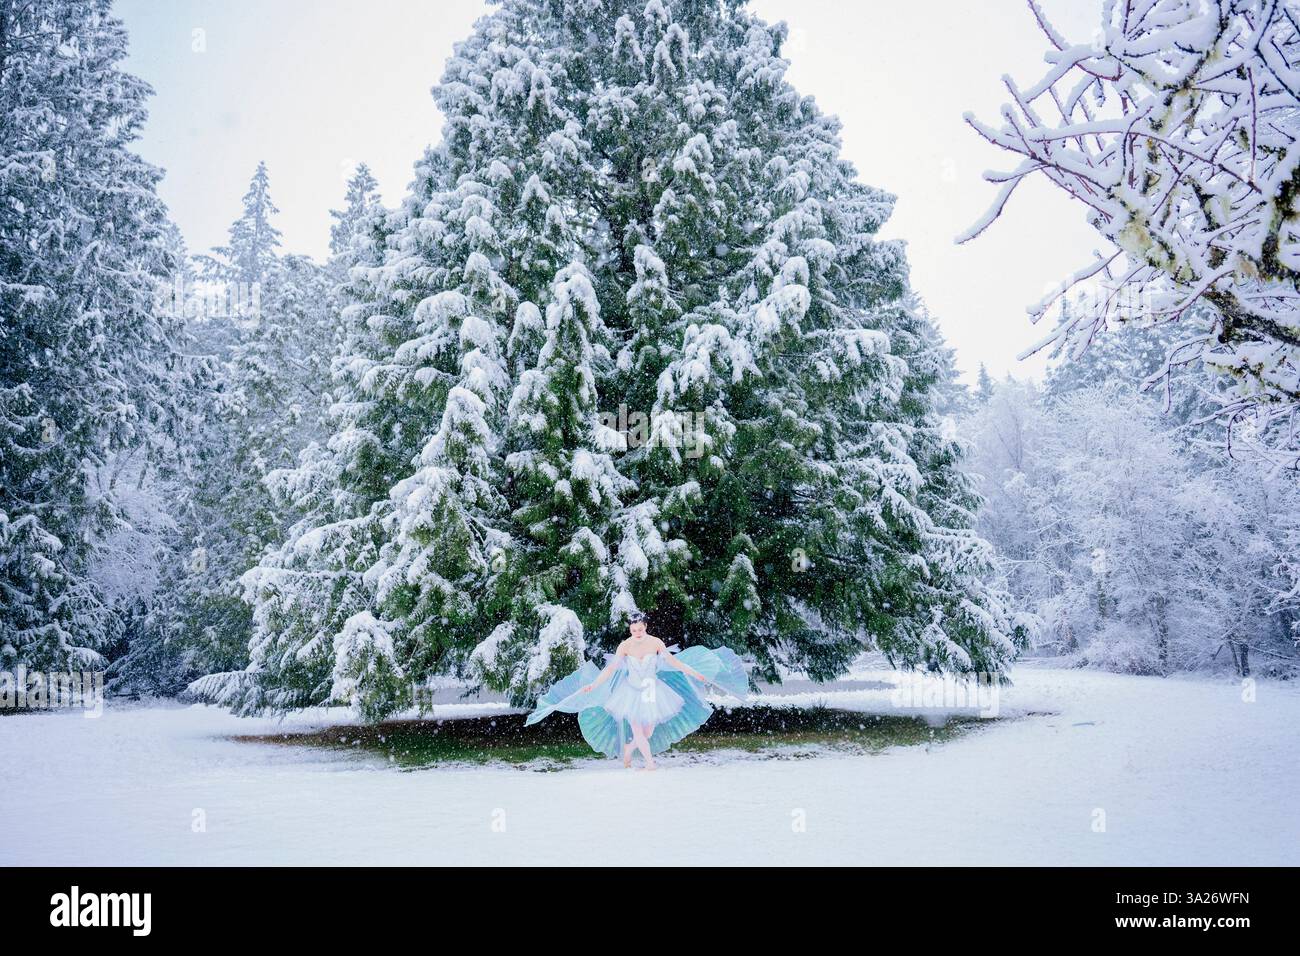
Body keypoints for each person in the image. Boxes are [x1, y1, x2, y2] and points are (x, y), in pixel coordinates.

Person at [524, 611, 748, 770]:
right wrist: (594, 684)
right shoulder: (625, 645)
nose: (637, 632)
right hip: (630, 692)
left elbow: (674, 662)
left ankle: (629, 750)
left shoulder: (656, 642)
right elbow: (611, 669)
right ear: (630, 629)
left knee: (648, 731)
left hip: (652, 690)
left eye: (640, 629)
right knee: (639, 730)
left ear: (646, 628)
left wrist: (695, 673)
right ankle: (650, 764)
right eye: (633, 630)